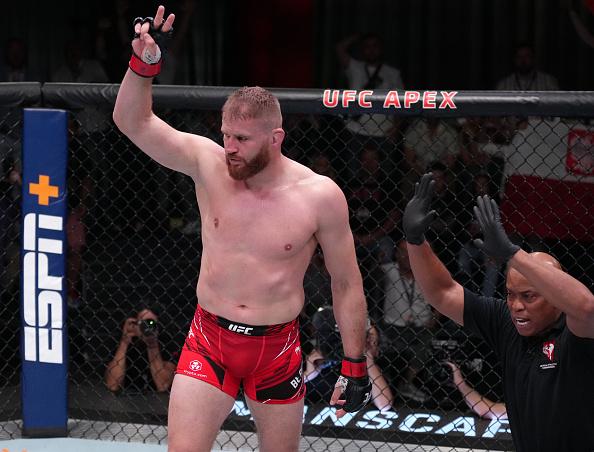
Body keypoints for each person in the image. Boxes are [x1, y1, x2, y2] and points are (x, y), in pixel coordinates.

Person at [112, 6, 371, 452]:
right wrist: (144, 66)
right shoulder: (207, 163)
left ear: (275, 138)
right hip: (209, 340)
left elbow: (346, 282)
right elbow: (132, 121)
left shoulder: (318, 195)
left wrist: (355, 364)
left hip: (277, 347)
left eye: (242, 140)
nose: (230, 148)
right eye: (226, 135)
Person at [402, 173, 594, 452]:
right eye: (510, 294)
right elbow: (442, 293)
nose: (516, 305)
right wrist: (415, 241)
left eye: (529, 296)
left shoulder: (575, 331)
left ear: (554, 296)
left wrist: (513, 253)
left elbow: (587, 307)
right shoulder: (506, 320)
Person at [304, 306, 393, 413]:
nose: (369, 340)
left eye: (368, 335)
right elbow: (282, 393)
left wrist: (366, 359)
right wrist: (307, 375)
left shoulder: (381, 361)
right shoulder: (318, 359)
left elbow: (384, 405)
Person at [380, 239, 437, 403]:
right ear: (396, 254)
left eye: (409, 253)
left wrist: (434, 318)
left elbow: (444, 295)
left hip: (420, 326)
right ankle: (385, 388)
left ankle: (407, 384)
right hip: (393, 326)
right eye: (402, 252)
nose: (405, 256)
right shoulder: (388, 271)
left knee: (425, 344)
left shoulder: (428, 274)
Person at [105, 308, 176, 393]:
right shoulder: (122, 341)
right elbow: (112, 385)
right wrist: (124, 342)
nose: (148, 327)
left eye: (152, 323)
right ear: (135, 325)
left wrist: (152, 344)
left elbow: (163, 385)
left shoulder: (167, 343)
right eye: (144, 323)